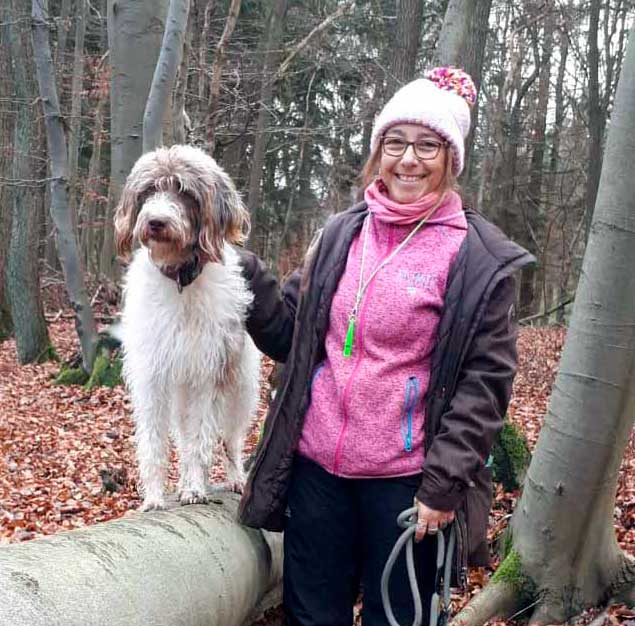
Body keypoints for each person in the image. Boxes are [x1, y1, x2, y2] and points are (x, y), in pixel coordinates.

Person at [236, 67, 534, 626]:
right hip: (317, 470)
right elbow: (293, 338)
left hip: (407, 485)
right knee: (310, 616)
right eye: (395, 142)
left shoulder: (477, 258)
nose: (408, 159)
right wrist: (246, 279)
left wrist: (444, 485)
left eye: (427, 145)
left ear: (451, 157)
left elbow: (485, 386)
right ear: (377, 152)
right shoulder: (340, 234)